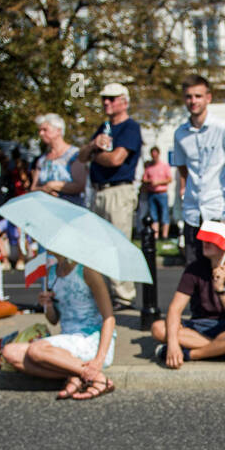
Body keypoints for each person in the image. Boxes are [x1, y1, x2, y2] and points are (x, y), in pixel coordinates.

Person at [0, 255, 118, 399]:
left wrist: (99, 360)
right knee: (10, 352)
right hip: (68, 341)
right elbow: (54, 320)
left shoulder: (88, 271)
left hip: (92, 340)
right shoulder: (51, 273)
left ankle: (97, 378)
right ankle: (77, 375)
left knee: (36, 350)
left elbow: (109, 318)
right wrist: (48, 305)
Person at [153, 222, 225, 366]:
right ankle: (224, 350)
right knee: (158, 328)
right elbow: (175, 309)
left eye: (212, 240)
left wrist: (221, 290)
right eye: (204, 239)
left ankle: (191, 354)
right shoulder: (195, 268)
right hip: (200, 326)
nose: (205, 243)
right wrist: (172, 344)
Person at [77, 83, 144, 308]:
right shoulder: (103, 127)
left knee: (118, 243)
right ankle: (104, 293)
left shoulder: (130, 128)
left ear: (124, 101)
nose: (107, 102)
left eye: (112, 98)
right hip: (99, 190)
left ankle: (124, 295)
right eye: (104, 98)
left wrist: (95, 153)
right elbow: (81, 156)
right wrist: (94, 146)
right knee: (98, 245)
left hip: (118, 190)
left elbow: (116, 159)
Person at [172, 75, 225, 266]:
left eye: (198, 96)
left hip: (223, 208)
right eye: (189, 97)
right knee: (194, 270)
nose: (193, 101)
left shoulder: (224, 129)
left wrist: (224, 181)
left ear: (208, 98)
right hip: (193, 210)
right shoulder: (180, 133)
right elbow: (183, 168)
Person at [31, 113, 87, 206]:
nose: (41, 134)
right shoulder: (42, 160)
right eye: (40, 130)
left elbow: (80, 185)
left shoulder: (74, 155)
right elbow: (33, 188)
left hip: (70, 209)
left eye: (45, 130)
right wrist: (44, 190)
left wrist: (53, 185)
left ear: (58, 131)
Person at [140, 146, 172, 239]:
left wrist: (158, 182)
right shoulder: (149, 167)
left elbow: (169, 179)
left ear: (158, 154)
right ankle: (155, 235)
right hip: (151, 193)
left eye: (155, 154)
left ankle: (165, 235)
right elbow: (144, 179)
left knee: (164, 214)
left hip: (162, 193)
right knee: (153, 215)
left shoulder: (164, 166)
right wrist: (150, 181)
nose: (154, 156)